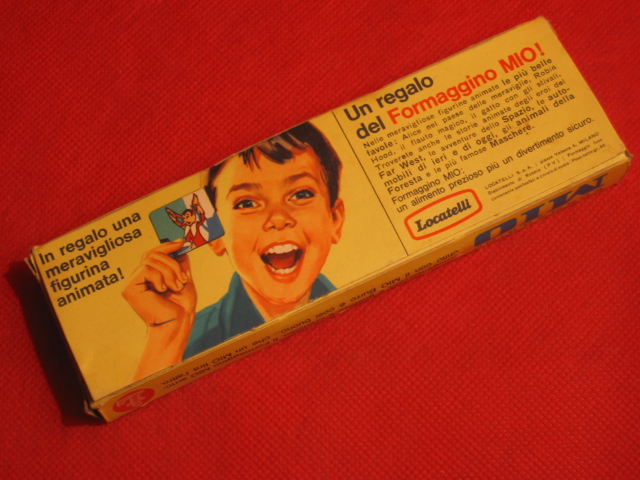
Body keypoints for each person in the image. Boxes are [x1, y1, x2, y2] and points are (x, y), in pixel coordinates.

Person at [123, 122, 345, 380]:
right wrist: (167, 336)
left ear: (335, 221)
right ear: (215, 235)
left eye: (301, 194)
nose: (277, 218)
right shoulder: (183, 342)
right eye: (247, 203)